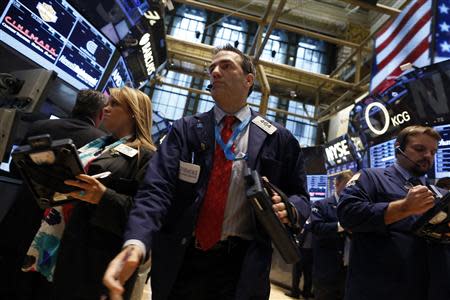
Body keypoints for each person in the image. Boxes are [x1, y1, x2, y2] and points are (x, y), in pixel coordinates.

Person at [103, 44, 311, 300]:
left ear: (248, 80)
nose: (215, 72)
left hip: (241, 268)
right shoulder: (185, 130)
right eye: (211, 68)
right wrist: (136, 241)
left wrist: (289, 208)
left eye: (226, 66)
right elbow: (156, 189)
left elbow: (300, 196)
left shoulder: (278, 138)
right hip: (183, 260)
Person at [24, 86, 156, 300]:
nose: (106, 107)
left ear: (133, 112)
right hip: (61, 239)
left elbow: (145, 214)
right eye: (108, 102)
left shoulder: (148, 157)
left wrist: (104, 197)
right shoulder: (98, 145)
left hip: (93, 257)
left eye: (114, 104)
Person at [0, 89, 106, 300]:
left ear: (75, 106)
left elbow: (15, 169)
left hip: (18, 216)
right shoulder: (101, 142)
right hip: (53, 230)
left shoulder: (40, 126)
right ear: (100, 115)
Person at [337, 125, 450, 300]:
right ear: (398, 148)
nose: (428, 156)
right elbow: (348, 215)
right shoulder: (370, 177)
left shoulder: (438, 194)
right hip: (378, 290)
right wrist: (403, 207)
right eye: (420, 149)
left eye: (433, 152)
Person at [310, 171, 353, 300]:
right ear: (337, 184)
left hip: (349, 271)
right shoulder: (320, 205)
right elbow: (316, 228)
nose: (349, 191)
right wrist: (342, 226)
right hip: (327, 270)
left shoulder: (354, 207)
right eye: (347, 187)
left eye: (352, 187)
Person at [285, 220, 313, 299]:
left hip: (302, 249)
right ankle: (306, 293)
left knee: (297, 273)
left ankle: (295, 293)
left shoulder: (307, 222)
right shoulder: (315, 221)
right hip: (311, 251)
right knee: (308, 274)